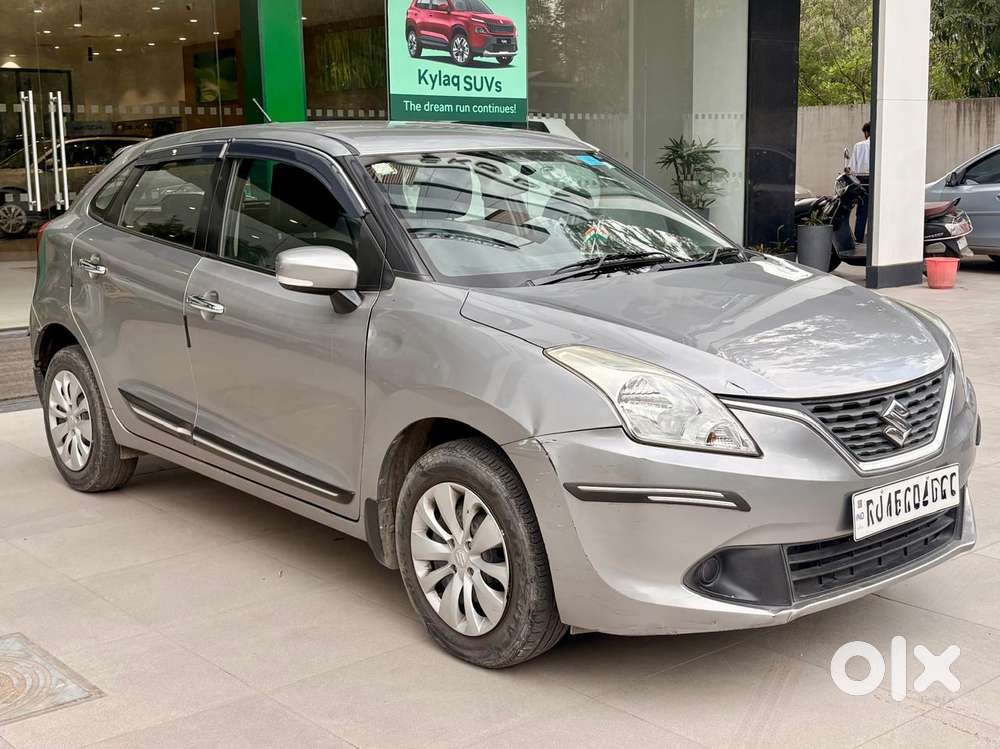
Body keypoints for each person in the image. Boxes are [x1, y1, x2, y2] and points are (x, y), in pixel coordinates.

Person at [848, 122, 871, 244]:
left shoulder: (859, 146)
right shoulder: (884, 146)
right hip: (878, 183)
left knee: (862, 214)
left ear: (866, 133)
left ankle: (858, 241)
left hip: (863, 183)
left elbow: (852, 169)